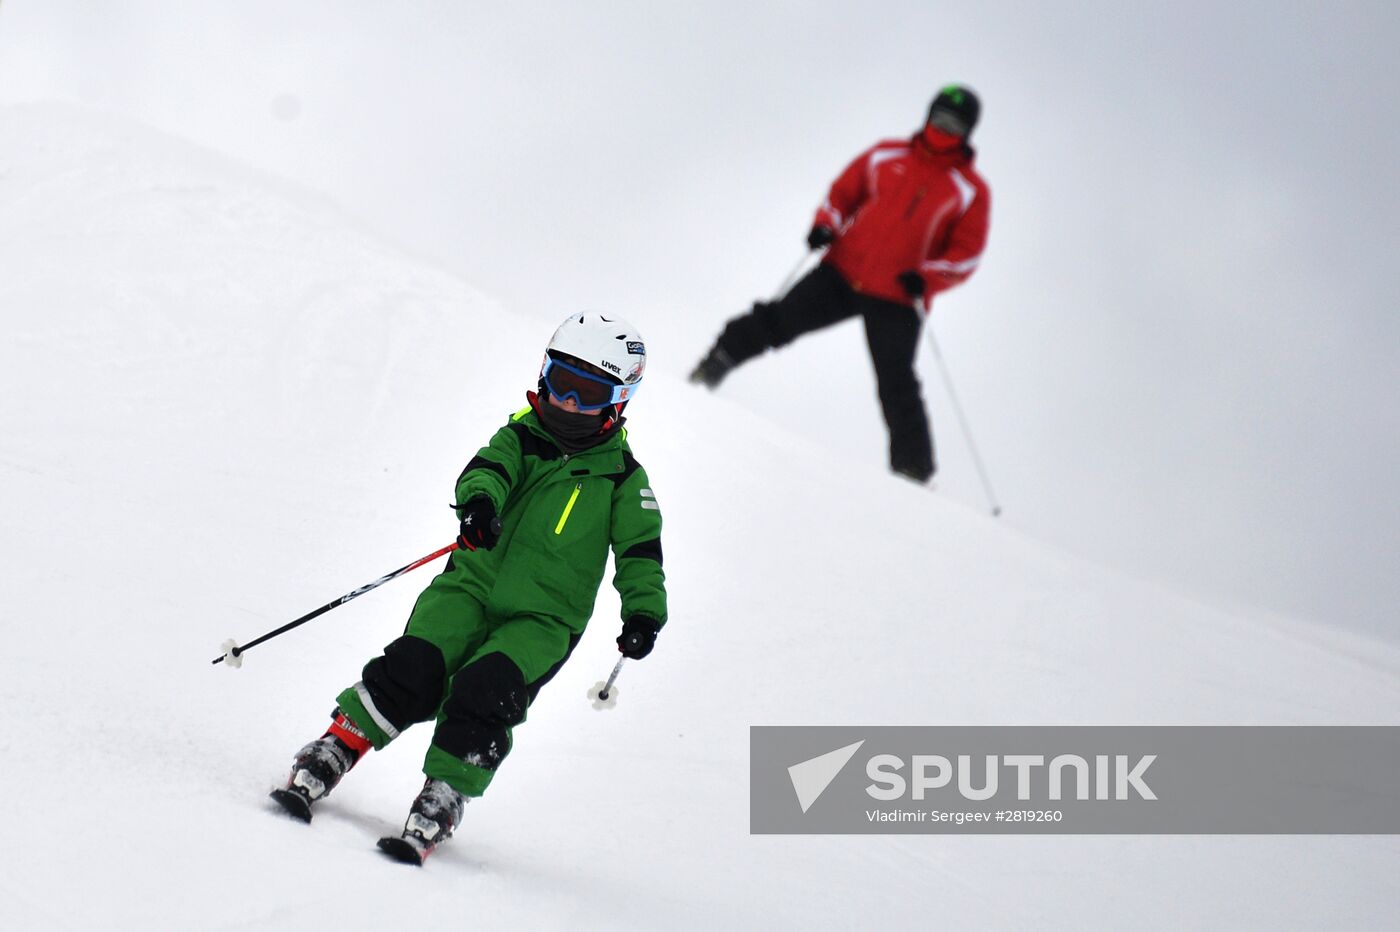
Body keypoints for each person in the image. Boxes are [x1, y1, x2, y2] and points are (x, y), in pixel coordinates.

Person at [272, 312, 668, 864]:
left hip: (542, 622)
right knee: (413, 666)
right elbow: (486, 471)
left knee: (487, 691)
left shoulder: (622, 480)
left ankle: (444, 795)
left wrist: (644, 612)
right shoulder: (520, 438)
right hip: (469, 586)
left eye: (589, 392)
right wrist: (479, 506)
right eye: (560, 383)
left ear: (618, 401)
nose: (569, 403)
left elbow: (640, 551)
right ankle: (336, 747)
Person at [690, 85, 991, 483]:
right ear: (927, 115)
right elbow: (842, 194)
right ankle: (712, 367)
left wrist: (927, 276)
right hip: (844, 271)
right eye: (939, 118)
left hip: (899, 294)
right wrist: (824, 226)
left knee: (896, 379)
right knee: (778, 320)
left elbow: (966, 253)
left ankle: (913, 469)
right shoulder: (887, 154)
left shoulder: (970, 189)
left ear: (967, 133)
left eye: (953, 124)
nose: (943, 128)